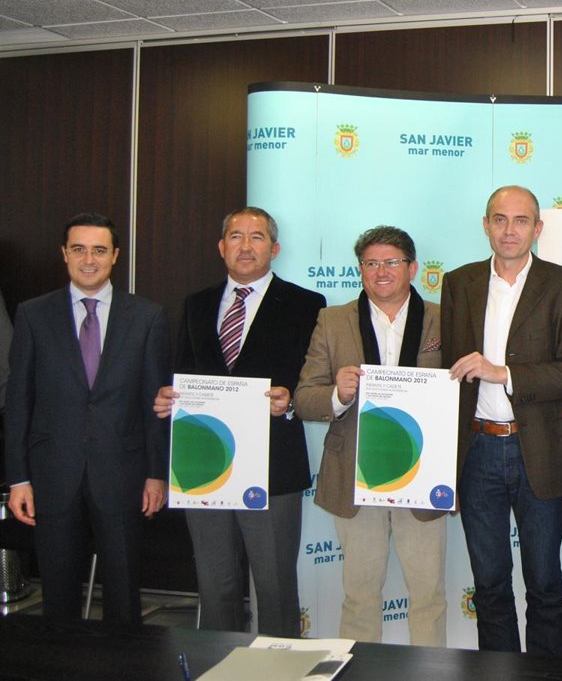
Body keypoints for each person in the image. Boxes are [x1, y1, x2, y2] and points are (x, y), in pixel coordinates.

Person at [153, 207, 325, 636]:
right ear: (221, 246)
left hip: (272, 467)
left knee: (275, 586)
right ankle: (220, 662)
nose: (245, 246)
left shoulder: (306, 304)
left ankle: (281, 665)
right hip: (205, 467)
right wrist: (170, 398)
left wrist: (290, 400)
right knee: (216, 586)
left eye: (257, 237)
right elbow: (184, 373)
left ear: (275, 248)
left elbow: (314, 381)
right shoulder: (196, 304)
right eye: (236, 236)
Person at [442, 186, 562, 656]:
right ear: (485, 225)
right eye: (500, 219)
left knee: (544, 584)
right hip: (476, 452)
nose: (509, 230)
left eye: (521, 220)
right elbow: (449, 375)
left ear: (537, 228)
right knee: (488, 586)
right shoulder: (459, 283)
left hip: (539, 452)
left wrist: (503, 373)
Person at [5, 213, 169, 623]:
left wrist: (156, 474)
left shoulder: (147, 317)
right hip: (53, 476)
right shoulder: (33, 315)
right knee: (57, 597)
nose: (89, 259)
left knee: (124, 594)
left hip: (123, 476)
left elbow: (154, 405)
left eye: (99, 250)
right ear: (64, 254)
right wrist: (18, 479)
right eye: (79, 249)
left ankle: (123, 658)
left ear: (115, 255)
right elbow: (19, 401)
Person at [295, 225, 447, 645]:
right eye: (371, 263)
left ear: (412, 268)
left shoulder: (444, 317)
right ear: (360, 269)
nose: (381, 272)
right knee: (359, 596)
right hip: (355, 475)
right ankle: (361, 671)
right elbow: (304, 398)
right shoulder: (332, 320)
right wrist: (337, 395)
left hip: (423, 475)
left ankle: (430, 673)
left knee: (429, 596)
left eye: (391, 262)